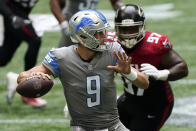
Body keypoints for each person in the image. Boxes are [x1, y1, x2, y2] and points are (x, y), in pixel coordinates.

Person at [17, 9, 149, 130]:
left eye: (104, 31)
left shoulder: (112, 50)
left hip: (113, 125)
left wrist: (128, 72)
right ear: (83, 36)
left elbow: (144, 83)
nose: (104, 36)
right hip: (83, 127)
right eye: (98, 33)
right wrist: (35, 76)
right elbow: (22, 77)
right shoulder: (62, 57)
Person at [113, 4, 189, 131]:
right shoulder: (112, 44)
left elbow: (182, 67)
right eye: (124, 30)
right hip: (128, 98)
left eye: (132, 29)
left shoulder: (153, 45)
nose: (127, 34)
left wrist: (161, 74)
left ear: (142, 27)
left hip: (154, 104)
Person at [0, 0, 47, 107]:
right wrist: (11, 16)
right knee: (34, 40)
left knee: (3, 58)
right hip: (10, 14)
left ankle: (15, 79)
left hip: (21, 16)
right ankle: (27, 90)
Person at [50, 0, 124, 47]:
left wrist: (122, 9)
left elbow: (115, 2)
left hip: (90, 26)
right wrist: (63, 24)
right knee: (65, 58)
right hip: (73, 26)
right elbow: (54, 2)